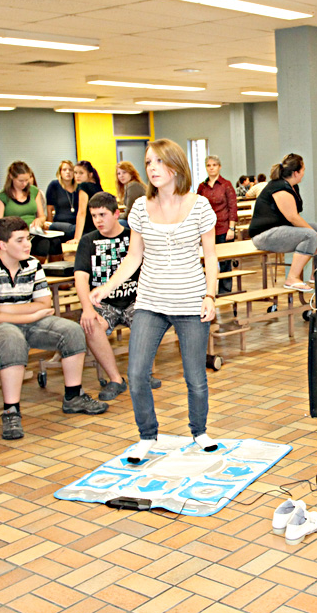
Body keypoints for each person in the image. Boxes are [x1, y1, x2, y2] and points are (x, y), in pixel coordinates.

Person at [90, 139, 219, 462]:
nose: (152, 168)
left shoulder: (200, 206)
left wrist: (210, 295)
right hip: (150, 302)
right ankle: (147, 435)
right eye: (148, 162)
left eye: (159, 161)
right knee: (136, 374)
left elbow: (211, 257)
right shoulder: (139, 208)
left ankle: (199, 431)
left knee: (195, 378)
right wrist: (107, 287)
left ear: (175, 166)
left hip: (190, 302)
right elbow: (134, 257)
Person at [0, 216, 106, 440]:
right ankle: (11, 411)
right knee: (12, 339)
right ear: (2, 245)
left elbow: (44, 303)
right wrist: (31, 314)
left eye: (28, 239)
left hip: (28, 323)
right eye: (20, 240)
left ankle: (73, 396)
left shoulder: (33, 264)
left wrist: (10, 310)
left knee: (72, 331)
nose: (27, 244)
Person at [74, 192, 161, 402]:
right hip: (104, 303)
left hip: (134, 300)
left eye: (102, 215)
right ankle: (116, 379)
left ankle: (140, 374)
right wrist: (87, 308)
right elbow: (80, 278)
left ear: (116, 214)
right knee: (90, 325)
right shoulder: (88, 241)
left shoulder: (133, 236)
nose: (98, 220)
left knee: (147, 320)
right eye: (94, 216)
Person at [248, 153, 317, 292]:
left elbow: (294, 218)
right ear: (296, 173)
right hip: (264, 235)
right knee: (311, 235)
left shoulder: (292, 186)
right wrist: (315, 234)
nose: (304, 173)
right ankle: (292, 278)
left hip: (281, 229)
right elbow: (293, 217)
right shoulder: (279, 187)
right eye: (303, 170)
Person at [0, 161, 64, 262]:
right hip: (15, 234)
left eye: (27, 180)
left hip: (33, 232)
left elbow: (42, 216)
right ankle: (33, 268)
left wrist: (39, 220)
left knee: (55, 241)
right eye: (20, 181)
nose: (24, 184)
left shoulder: (34, 191)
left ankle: (54, 269)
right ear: (11, 177)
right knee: (42, 244)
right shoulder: (2, 197)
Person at [196, 155, 238, 295]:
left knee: (225, 263)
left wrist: (231, 228)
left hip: (223, 228)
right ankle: (207, 292)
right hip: (206, 229)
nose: (211, 168)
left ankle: (224, 292)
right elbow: (196, 206)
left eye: (214, 165)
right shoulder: (202, 187)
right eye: (209, 165)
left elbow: (232, 207)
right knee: (206, 262)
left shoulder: (226, 185)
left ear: (219, 167)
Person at [46, 160, 78, 241]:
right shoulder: (54, 185)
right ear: (60, 172)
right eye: (64, 170)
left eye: (70, 170)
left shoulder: (79, 187)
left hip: (76, 222)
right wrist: (49, 226)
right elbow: (49, 208)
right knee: (71, 229)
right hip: (60, 223)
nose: (68, 172)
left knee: (78, 228)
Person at [72, 160, 103, 242]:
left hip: (88, 229)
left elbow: (82, 213)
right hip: (98, 228)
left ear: (90, 174)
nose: (77, 176)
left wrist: (77, 238)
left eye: (81, 173)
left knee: (54, 226)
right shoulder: (98, 187)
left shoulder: (84, 186)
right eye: (75, 173)